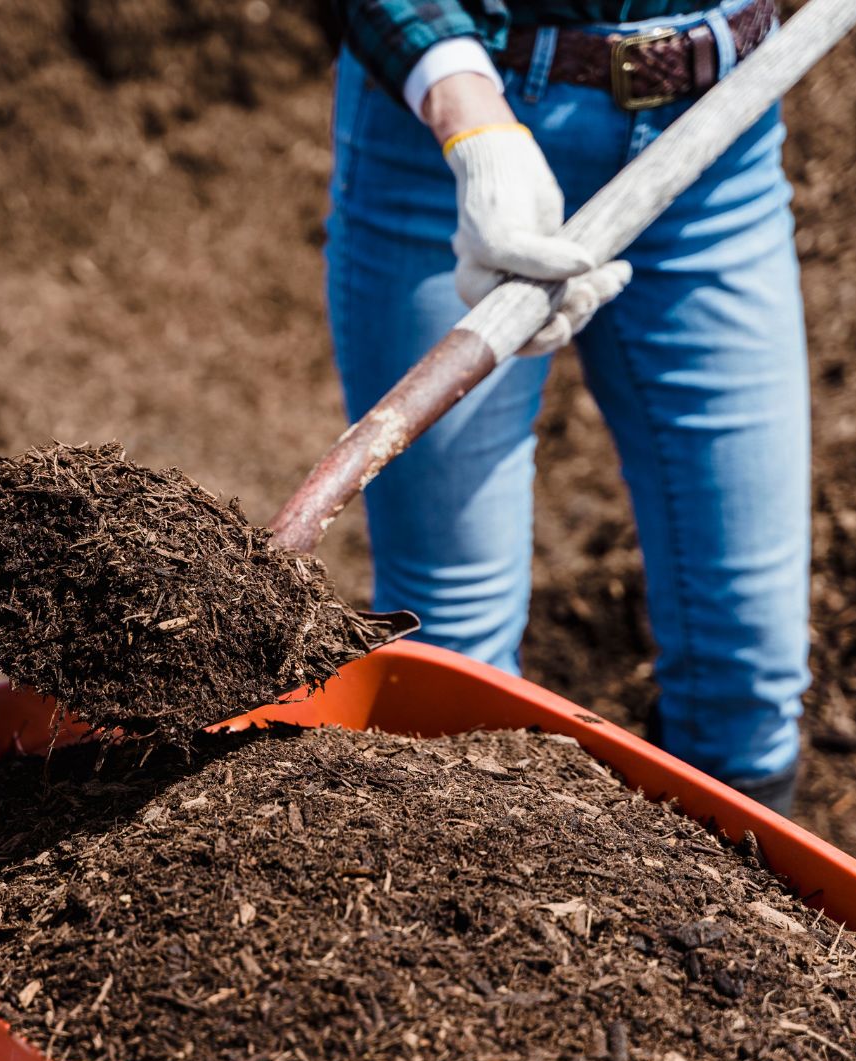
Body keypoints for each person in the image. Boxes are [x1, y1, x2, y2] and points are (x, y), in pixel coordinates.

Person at [325, 0, 806, 814]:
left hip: (720, 130)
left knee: (749, 670)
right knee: (454, 655)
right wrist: (470, 117)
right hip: (456, 134)